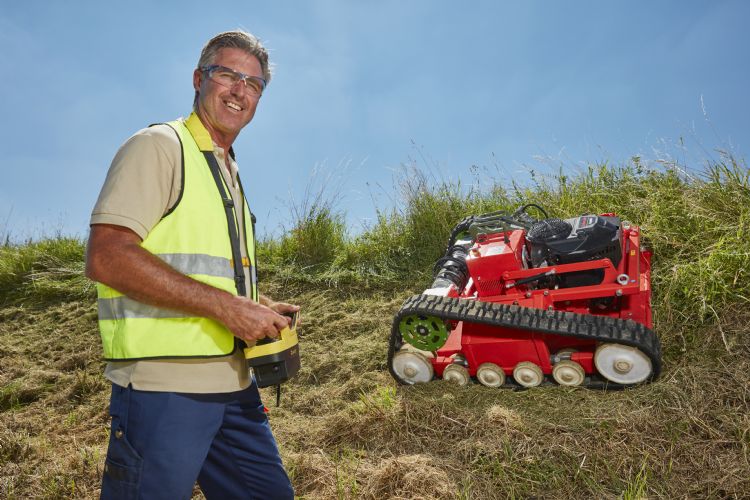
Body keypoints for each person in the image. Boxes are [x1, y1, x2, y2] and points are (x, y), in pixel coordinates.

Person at [86, 30, 296, 499]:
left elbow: (200, 269)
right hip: (163, 389)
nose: (240, 90)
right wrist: (227, 308)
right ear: (199, 79)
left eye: (254, 83)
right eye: (228, 74)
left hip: (234, 383)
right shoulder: (159, 146)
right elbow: (107, 256)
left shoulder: (226, 168)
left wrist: (256, 306)